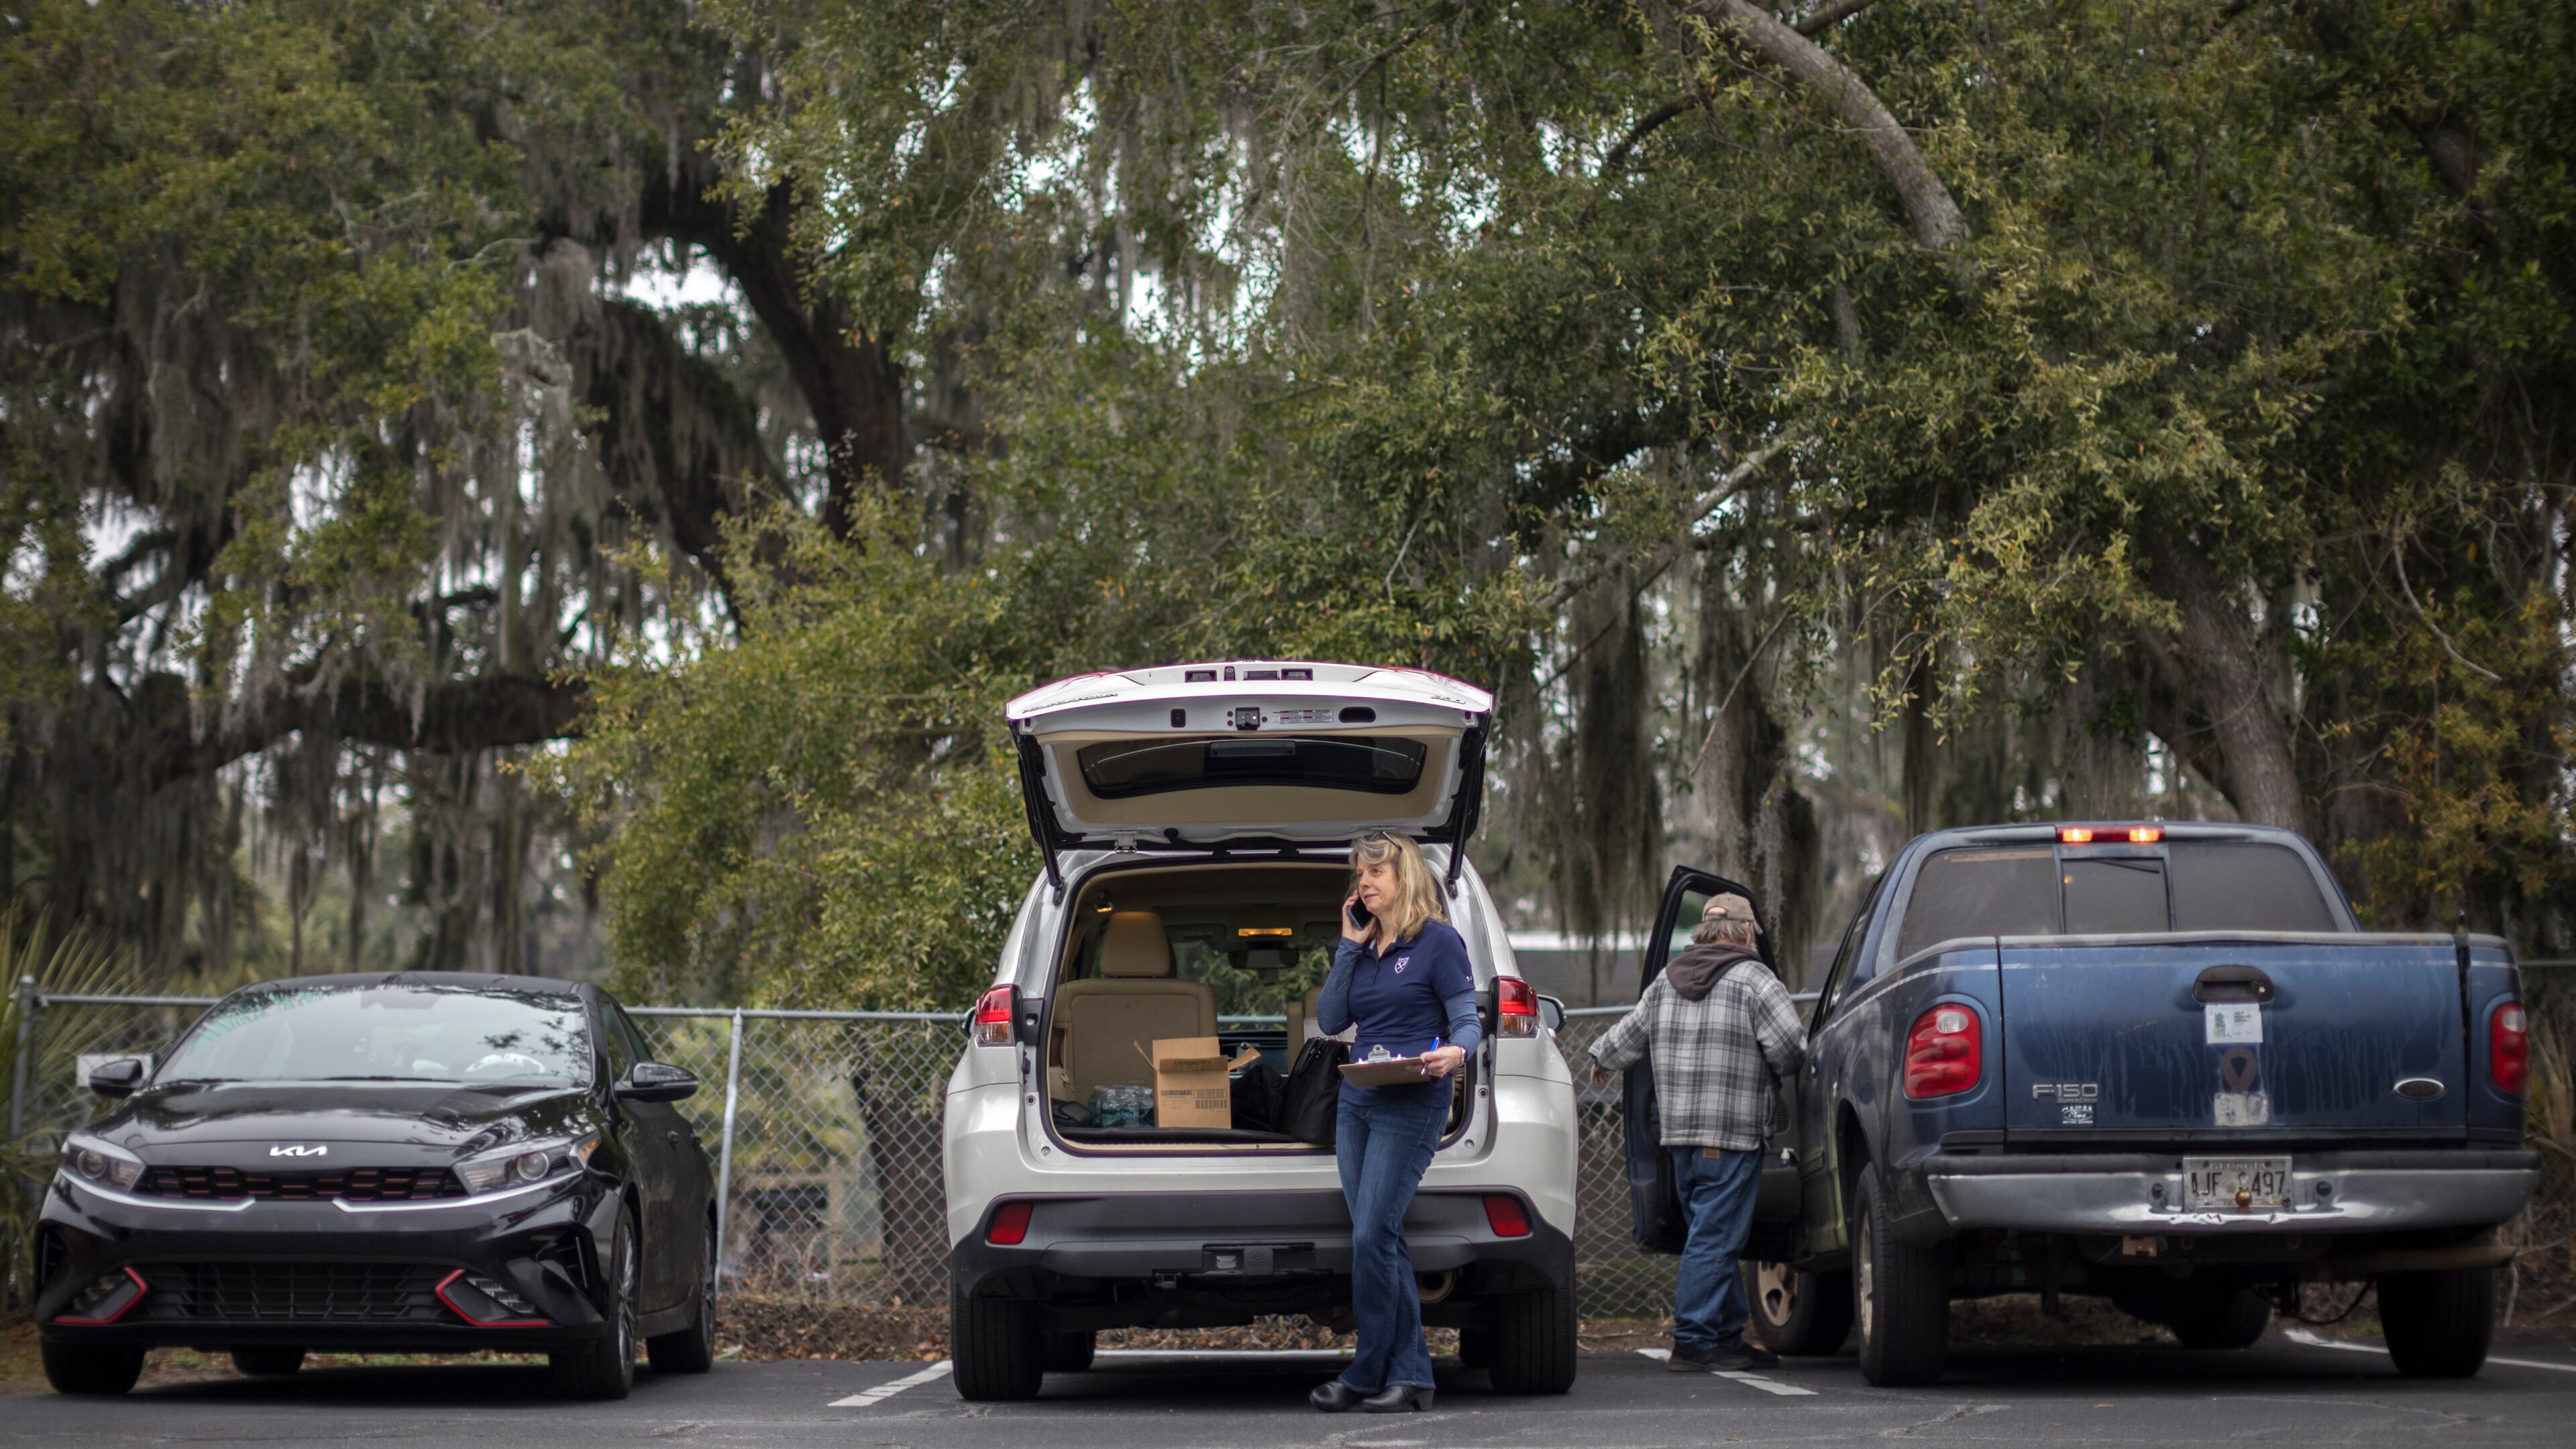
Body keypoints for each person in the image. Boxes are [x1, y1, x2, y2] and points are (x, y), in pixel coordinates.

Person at [1587, 893, 1806, 1372]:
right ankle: (1693, 1340)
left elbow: (1628, 1034)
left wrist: (1599, 1057)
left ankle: (1725, 1337)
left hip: (1678, 1136)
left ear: (1703, 931)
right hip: (1731, 1133)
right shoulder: (1755, 981)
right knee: (1716, 1239)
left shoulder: (1667, 980)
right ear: (1747, 933)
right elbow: (1790, 1049)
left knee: (1709, 1235)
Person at [1307, 830, 1481, 1414]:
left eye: (1375, 874)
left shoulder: (1438, 943)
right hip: (1359, 1102)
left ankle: (1366, 1370)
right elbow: (1331, 1019)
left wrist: (1457, 1053)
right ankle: (1411, 1376)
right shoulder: (1363, 947)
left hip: (1414, 1101)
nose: (1364, 883)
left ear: (1404, 878)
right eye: (1360, 875)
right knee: (1379, 1238)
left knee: (1370, 1235)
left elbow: (1467, 1019)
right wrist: (1349, 946)